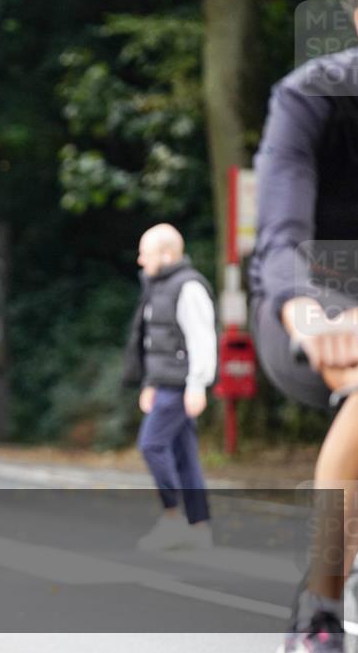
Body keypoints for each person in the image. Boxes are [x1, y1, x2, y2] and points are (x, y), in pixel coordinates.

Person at [247, 0, 358, 650]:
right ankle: (319, 611)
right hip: (315, 309)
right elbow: (282, 234)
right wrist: (307, 310)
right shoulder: (310, 97)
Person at [123, 224, 217, 551]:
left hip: (179, 387)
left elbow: (201, 339)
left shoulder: (188, 288)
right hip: (165, 384)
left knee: (151, 445)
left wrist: (197, 384)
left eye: (145, 253)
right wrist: (149, 382)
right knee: (184, 455)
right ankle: (199, 526)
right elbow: (153, 342)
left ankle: (173, 516)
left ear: (167, 254)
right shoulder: (157, 286)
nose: (139, 260)